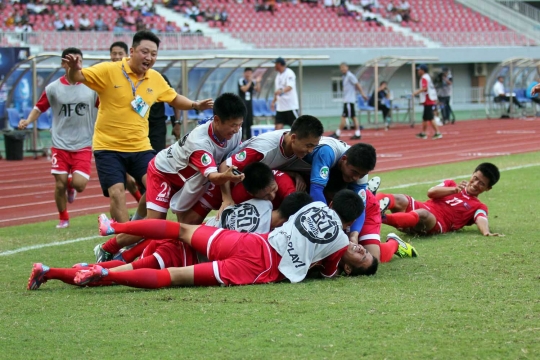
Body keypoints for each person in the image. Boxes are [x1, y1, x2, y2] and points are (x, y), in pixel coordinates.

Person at [73, 189, 376, 289]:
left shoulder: (311, 204)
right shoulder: (338, 245)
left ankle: (114, 229)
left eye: (360, 254)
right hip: (260, 262)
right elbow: (327, 271)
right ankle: (107, 270)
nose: (358, 248)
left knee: (176, 233)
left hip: (248, 241)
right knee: (173, 274)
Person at [62, 30, 213, 224]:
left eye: (154, 54)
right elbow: (77, 77)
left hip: (140, 147)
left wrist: (194, 104)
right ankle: (124, 240)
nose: (149, 57)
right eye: (145, 52)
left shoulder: (156, 78)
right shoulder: (109, 70)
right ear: (131, 51)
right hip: (108, 147)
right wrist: (73, 69)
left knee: (156, 188)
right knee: (117, 192)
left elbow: (174, 98)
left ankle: (136, 224)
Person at [26, 192, 313, 291]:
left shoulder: (257, 203)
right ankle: (99, 269)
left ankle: (112, 230)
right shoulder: (272, 233)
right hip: (183, 256)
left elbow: (224, 207)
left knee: (173, 231)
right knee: (120, 274)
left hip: (194, 235)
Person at [93, 93, 245, 262]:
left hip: (190, 180)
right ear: (217, 120)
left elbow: (226, 161)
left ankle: (128, 253)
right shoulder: (200, 143)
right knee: (155, 226)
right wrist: (227, 177)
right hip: (164, 174)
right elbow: (215, 177)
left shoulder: (234, 134)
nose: (236, 130)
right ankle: (108, 247)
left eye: (239, 125)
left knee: (184, 226)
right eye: (233, 125)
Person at [18, 48, 98, 229]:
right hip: (60, 144)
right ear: (63, 64)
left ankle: (72, 187)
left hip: (83, 143)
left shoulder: (91, 87)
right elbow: (39, 107)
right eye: (70, 61)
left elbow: (106, 105)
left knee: (79, 185)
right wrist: (27, 121)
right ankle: (63, 218)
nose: (75, 64)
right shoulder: (53, 88)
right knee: (59, 183)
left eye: (78, 60)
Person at [377, 163, 503, 237]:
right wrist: (454, 190)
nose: (475, 184)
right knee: (400, 198)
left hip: (436, 222)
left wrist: (486, 232)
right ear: (472, 174)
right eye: (475, 178)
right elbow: (431, 193)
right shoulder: (450, 184)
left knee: (423, 214)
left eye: (481, 183)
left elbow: (481, 218)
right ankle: (372, 204)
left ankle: (381, 218)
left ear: (488, 188)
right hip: (422, 207)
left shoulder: (478, 206)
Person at [330, 63, 367, 140]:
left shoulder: (350, 76)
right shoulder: (345, 77)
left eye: (343, 67)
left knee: (346, 117)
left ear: (347, 67)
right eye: (341, 68)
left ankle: (338, 133)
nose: (342, 69)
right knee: (351, 117)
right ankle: (357, 133)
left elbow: (357, 84)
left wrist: (362, 94)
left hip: (349, 101)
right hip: (347, 100)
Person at [413, 64, 442, 140]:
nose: (418, 71)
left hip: (428, 99)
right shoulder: (427, 77)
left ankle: (437, 132)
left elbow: (424, 88)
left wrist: (416, 92)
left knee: (430, 117)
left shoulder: (424, 78)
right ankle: (423, 133)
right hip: (428, 99)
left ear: (423, 70)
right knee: (425, 118)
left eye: (419, 70)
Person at [271, 57, 299, 130]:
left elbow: (290, 87)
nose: (274, 66)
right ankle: (280, 141)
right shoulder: (278, 76)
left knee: (296, 129)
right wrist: (273, 102)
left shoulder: (289, 73)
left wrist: (281, 91)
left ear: (279, 64)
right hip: (280, 108)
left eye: (275, 64)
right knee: (277, 129)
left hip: (290, 107)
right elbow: (277, 91)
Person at [238, 67, 261, 140]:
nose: (248, 75)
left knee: (249, 122)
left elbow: (257, 90)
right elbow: (244, 89)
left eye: (250, 73)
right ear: (244, 73)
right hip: (242, 104)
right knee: (242, 122)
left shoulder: (253, 82)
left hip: (249, 104)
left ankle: (249, 139)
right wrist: (250, 82)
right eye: (247, 73)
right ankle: (240, 139)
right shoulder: (241, 81)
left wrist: (257, 82)